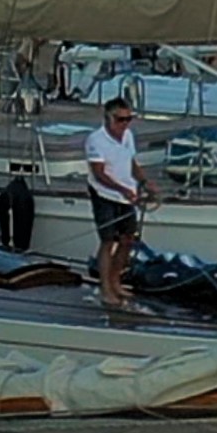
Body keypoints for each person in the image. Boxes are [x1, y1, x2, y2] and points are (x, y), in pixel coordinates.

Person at [84, 97, 149, 310]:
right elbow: (98, 173)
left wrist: (145, 182)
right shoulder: (96, 140)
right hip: (105, 195)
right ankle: (105, 289)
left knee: (128, 239)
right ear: (108, 118)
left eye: (128, 119)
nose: (125, 124)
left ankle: (115, 281)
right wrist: (122, 189)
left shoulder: (128, 136)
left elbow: (131, 162)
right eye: (121, 120)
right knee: (107, 241)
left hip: (126, 194)